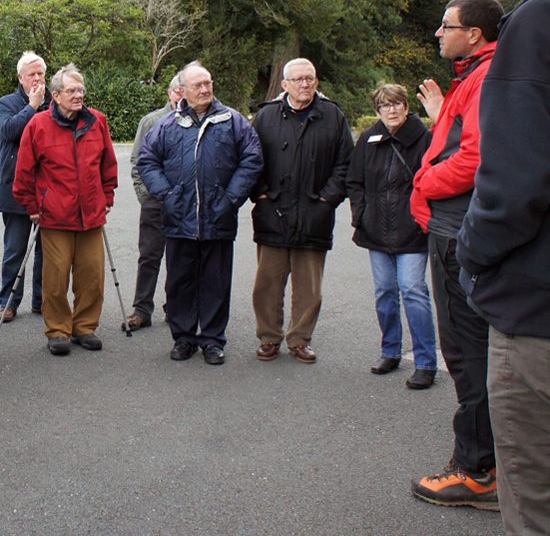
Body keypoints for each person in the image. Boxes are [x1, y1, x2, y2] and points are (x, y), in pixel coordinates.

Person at [456, 0, 550, 535]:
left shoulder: (535, 27)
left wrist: (472, 251)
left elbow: (514, 183)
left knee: (535, 503)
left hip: (539, 316)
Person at [409, 0, 504, 510]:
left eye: (446, 26)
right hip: (450, 226)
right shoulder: (473, 77)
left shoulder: (486, 77)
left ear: (474, 34)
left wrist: (424, 180)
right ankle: (482, 459)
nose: (438, 34)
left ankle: (477, 470)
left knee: (468, 353)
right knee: (471, 351)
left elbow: (474, 158)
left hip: (456, 230)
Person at [137, 61, 263, 366]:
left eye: (208, 83)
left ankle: (212, 340)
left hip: (218, 217)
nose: (205, 89)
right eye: (198, 85)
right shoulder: (168, 125)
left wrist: (231, 198)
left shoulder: (232, 121)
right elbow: (147, 160)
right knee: (180, 280)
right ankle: (183, 337)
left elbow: (252, 159)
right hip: (179, 217)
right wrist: (167, 195)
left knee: (215, 281)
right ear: (184, 91)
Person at [251, 58, 353, 363]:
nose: (304, 84)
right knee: (267, 283)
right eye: (297, 79)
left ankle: (299, 338)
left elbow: (345, 163)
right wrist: (262, 194)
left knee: (309, 287)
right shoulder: (266, 116)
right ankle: (269, 337)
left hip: (314, 213)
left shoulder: (332, 116)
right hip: (273, 212)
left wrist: (326, 200)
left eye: (309, 78)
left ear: (317, 82)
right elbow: (250, 160)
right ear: (284, 85)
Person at [13, 64, 118, 356]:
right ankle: (58, 330)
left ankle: (85, 327)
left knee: (91, 277)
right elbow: (24, 172)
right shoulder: (37, 125)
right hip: (55, 216)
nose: (78, 95)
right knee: (56, 278)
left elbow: (108, 163)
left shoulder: (98, 121)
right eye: (72, 90)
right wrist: (32, 205)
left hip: (91, 215)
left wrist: (107, 193)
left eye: (81, 90)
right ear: (55, 95)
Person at [347, 83, 436, 389]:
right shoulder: (369, 140)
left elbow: (433, 181)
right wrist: (361, 215)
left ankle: (425, 361)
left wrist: (421, 219)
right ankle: (390, 351)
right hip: (376, 231)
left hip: (411, 231)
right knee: (385, 293)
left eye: (397, 103)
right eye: (385, 105)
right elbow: (354, 181)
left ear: (407, 107)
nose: (392, 110)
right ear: (378, 110)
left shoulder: (424, 139)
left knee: (413, 291)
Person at [125, 75, 185, 331]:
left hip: (184, 203)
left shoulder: (199, 121)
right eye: (178, 92)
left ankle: (175, 307)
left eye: (187, 92)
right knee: (149, 256)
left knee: (180, 257)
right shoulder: (151, 121)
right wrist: (144, 195)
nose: (182, 97)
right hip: (154, 202)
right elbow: (137, 161)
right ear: (170, 93)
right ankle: (141, 310)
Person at [0, 51, 51, 322]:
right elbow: (9, 132)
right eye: (31, 74)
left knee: (47, 250)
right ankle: (8, 302)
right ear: (21, 78)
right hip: (15, 188)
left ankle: (41, 301)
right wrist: (31, 106)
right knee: (15, 250)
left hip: (48, 189)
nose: (37, 78)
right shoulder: (7, 103)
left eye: (41, 73)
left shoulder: (55, 102)